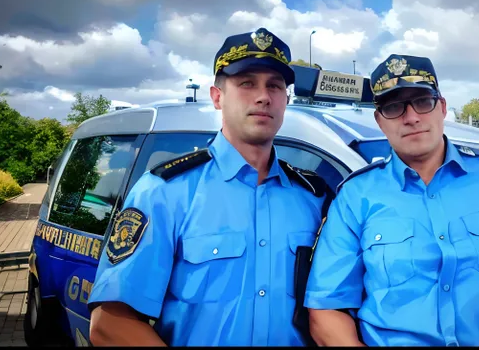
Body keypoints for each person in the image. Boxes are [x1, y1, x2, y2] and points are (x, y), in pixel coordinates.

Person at [303, 54, 479, 347]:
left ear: (441, 107)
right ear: (380, 120)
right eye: (393, 107)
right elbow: (327, 306)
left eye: (422, 101)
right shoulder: (355, 196)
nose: (412, 117)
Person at [87, 28, 330, 346]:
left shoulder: (314, 198)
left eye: (275, 85)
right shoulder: (164, 192)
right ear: (218, 97)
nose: (263, 96)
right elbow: (109, 324)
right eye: (246, 83)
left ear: (286, 99)